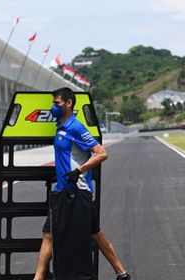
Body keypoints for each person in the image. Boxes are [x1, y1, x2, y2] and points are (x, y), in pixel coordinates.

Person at [33, 88, 131, 280]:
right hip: (62, 191)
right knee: (51, 234)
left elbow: (102, 153)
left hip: (76, 192)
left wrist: (78, 171)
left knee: (91, 232)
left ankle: (122, 274)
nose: (54, 107)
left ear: (69, 103)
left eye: (57, 104)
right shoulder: (60, 126)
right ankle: (122, 274)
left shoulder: (75, 127)